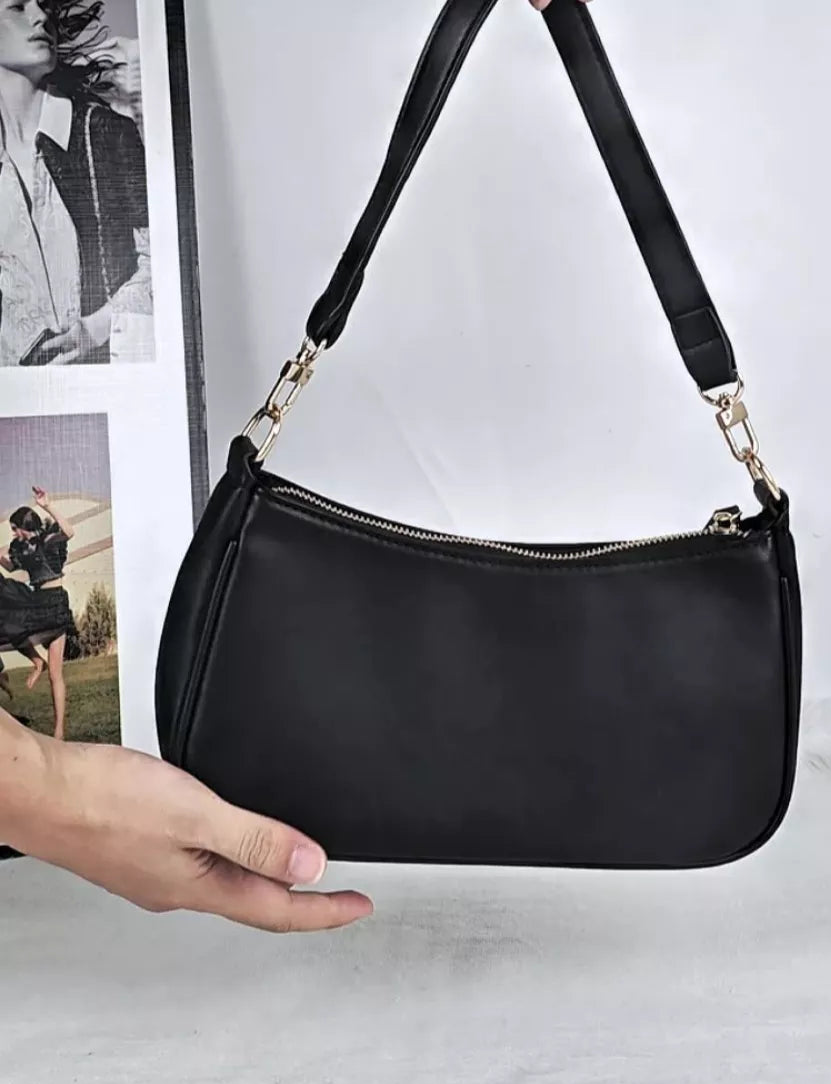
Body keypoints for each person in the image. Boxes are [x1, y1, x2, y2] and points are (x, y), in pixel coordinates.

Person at [0, 0, 593, 935]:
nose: (35, 12)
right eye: (15, 4)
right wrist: (45, 797)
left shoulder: (81, 148)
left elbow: (125, 279)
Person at [0, 0, 154, 367]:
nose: (41, 17)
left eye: (43, 5)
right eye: (18, 7)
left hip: (101, 381)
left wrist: (97, 328)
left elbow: (163, 264)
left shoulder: (106, 134)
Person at [0, 487, 77, 738]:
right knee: (10, 625)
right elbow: (9, 567)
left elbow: (69, 532)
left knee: (56, 674)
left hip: (56, 603)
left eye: (15, 528)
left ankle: (59, 731)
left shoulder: (48, 539)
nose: (13, 533)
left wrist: (47, 505)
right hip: (38, 601)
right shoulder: (22, 548)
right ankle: (36, 661)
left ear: (24, 526)